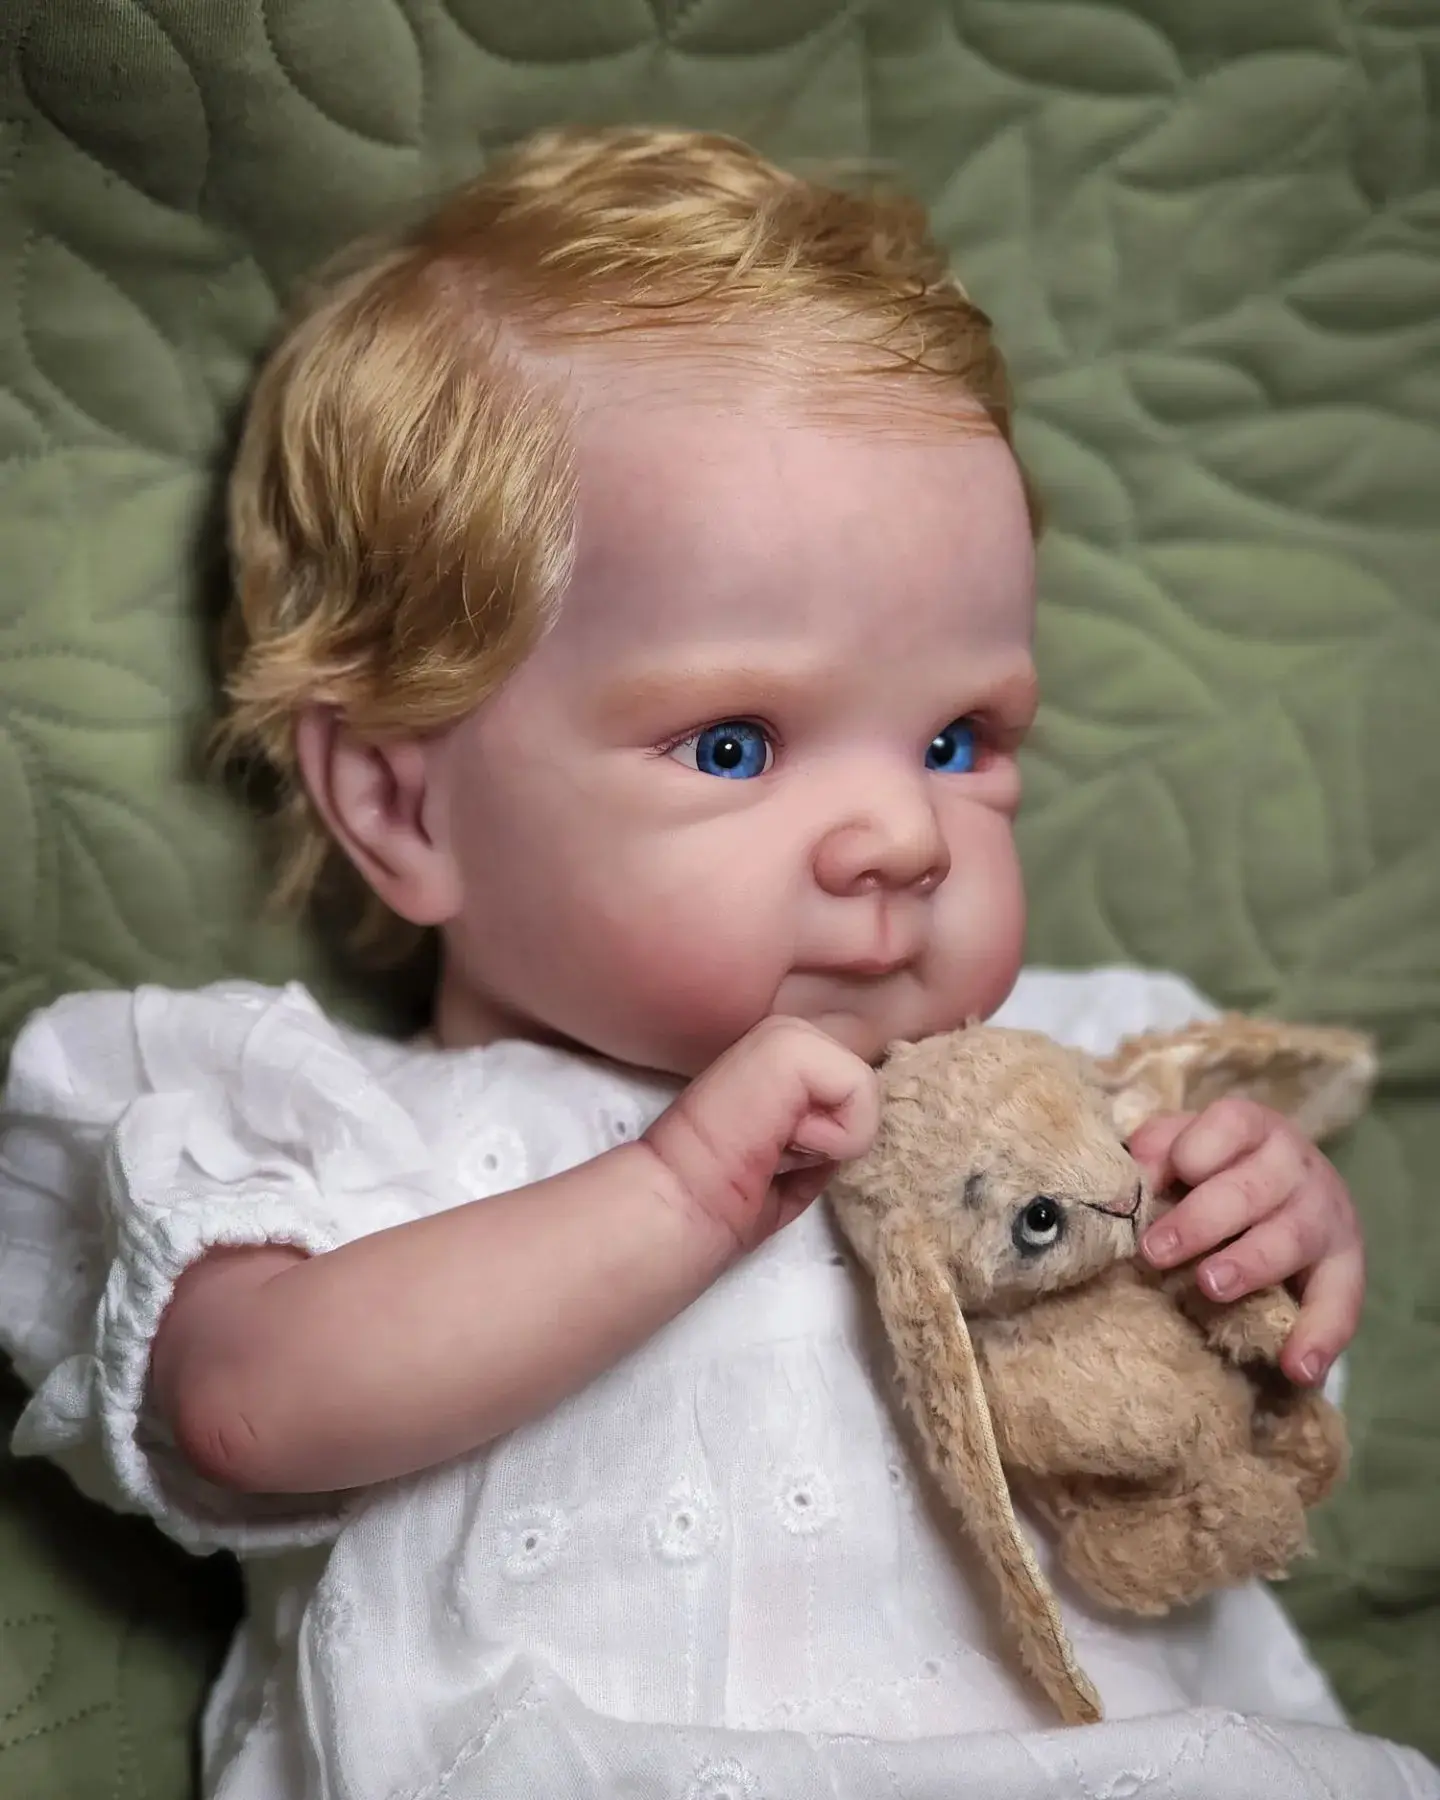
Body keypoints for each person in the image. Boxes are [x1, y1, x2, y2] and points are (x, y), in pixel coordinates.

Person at [0, 127, 1427, 1800]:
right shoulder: (333, 1144)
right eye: (736, 745)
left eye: (959, 739)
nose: (902, 833)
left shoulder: (1076, 1084)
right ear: (402, 803)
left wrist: (1258, 1241)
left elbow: (1220, 1424)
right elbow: (243, 1413)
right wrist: (674, 1194)